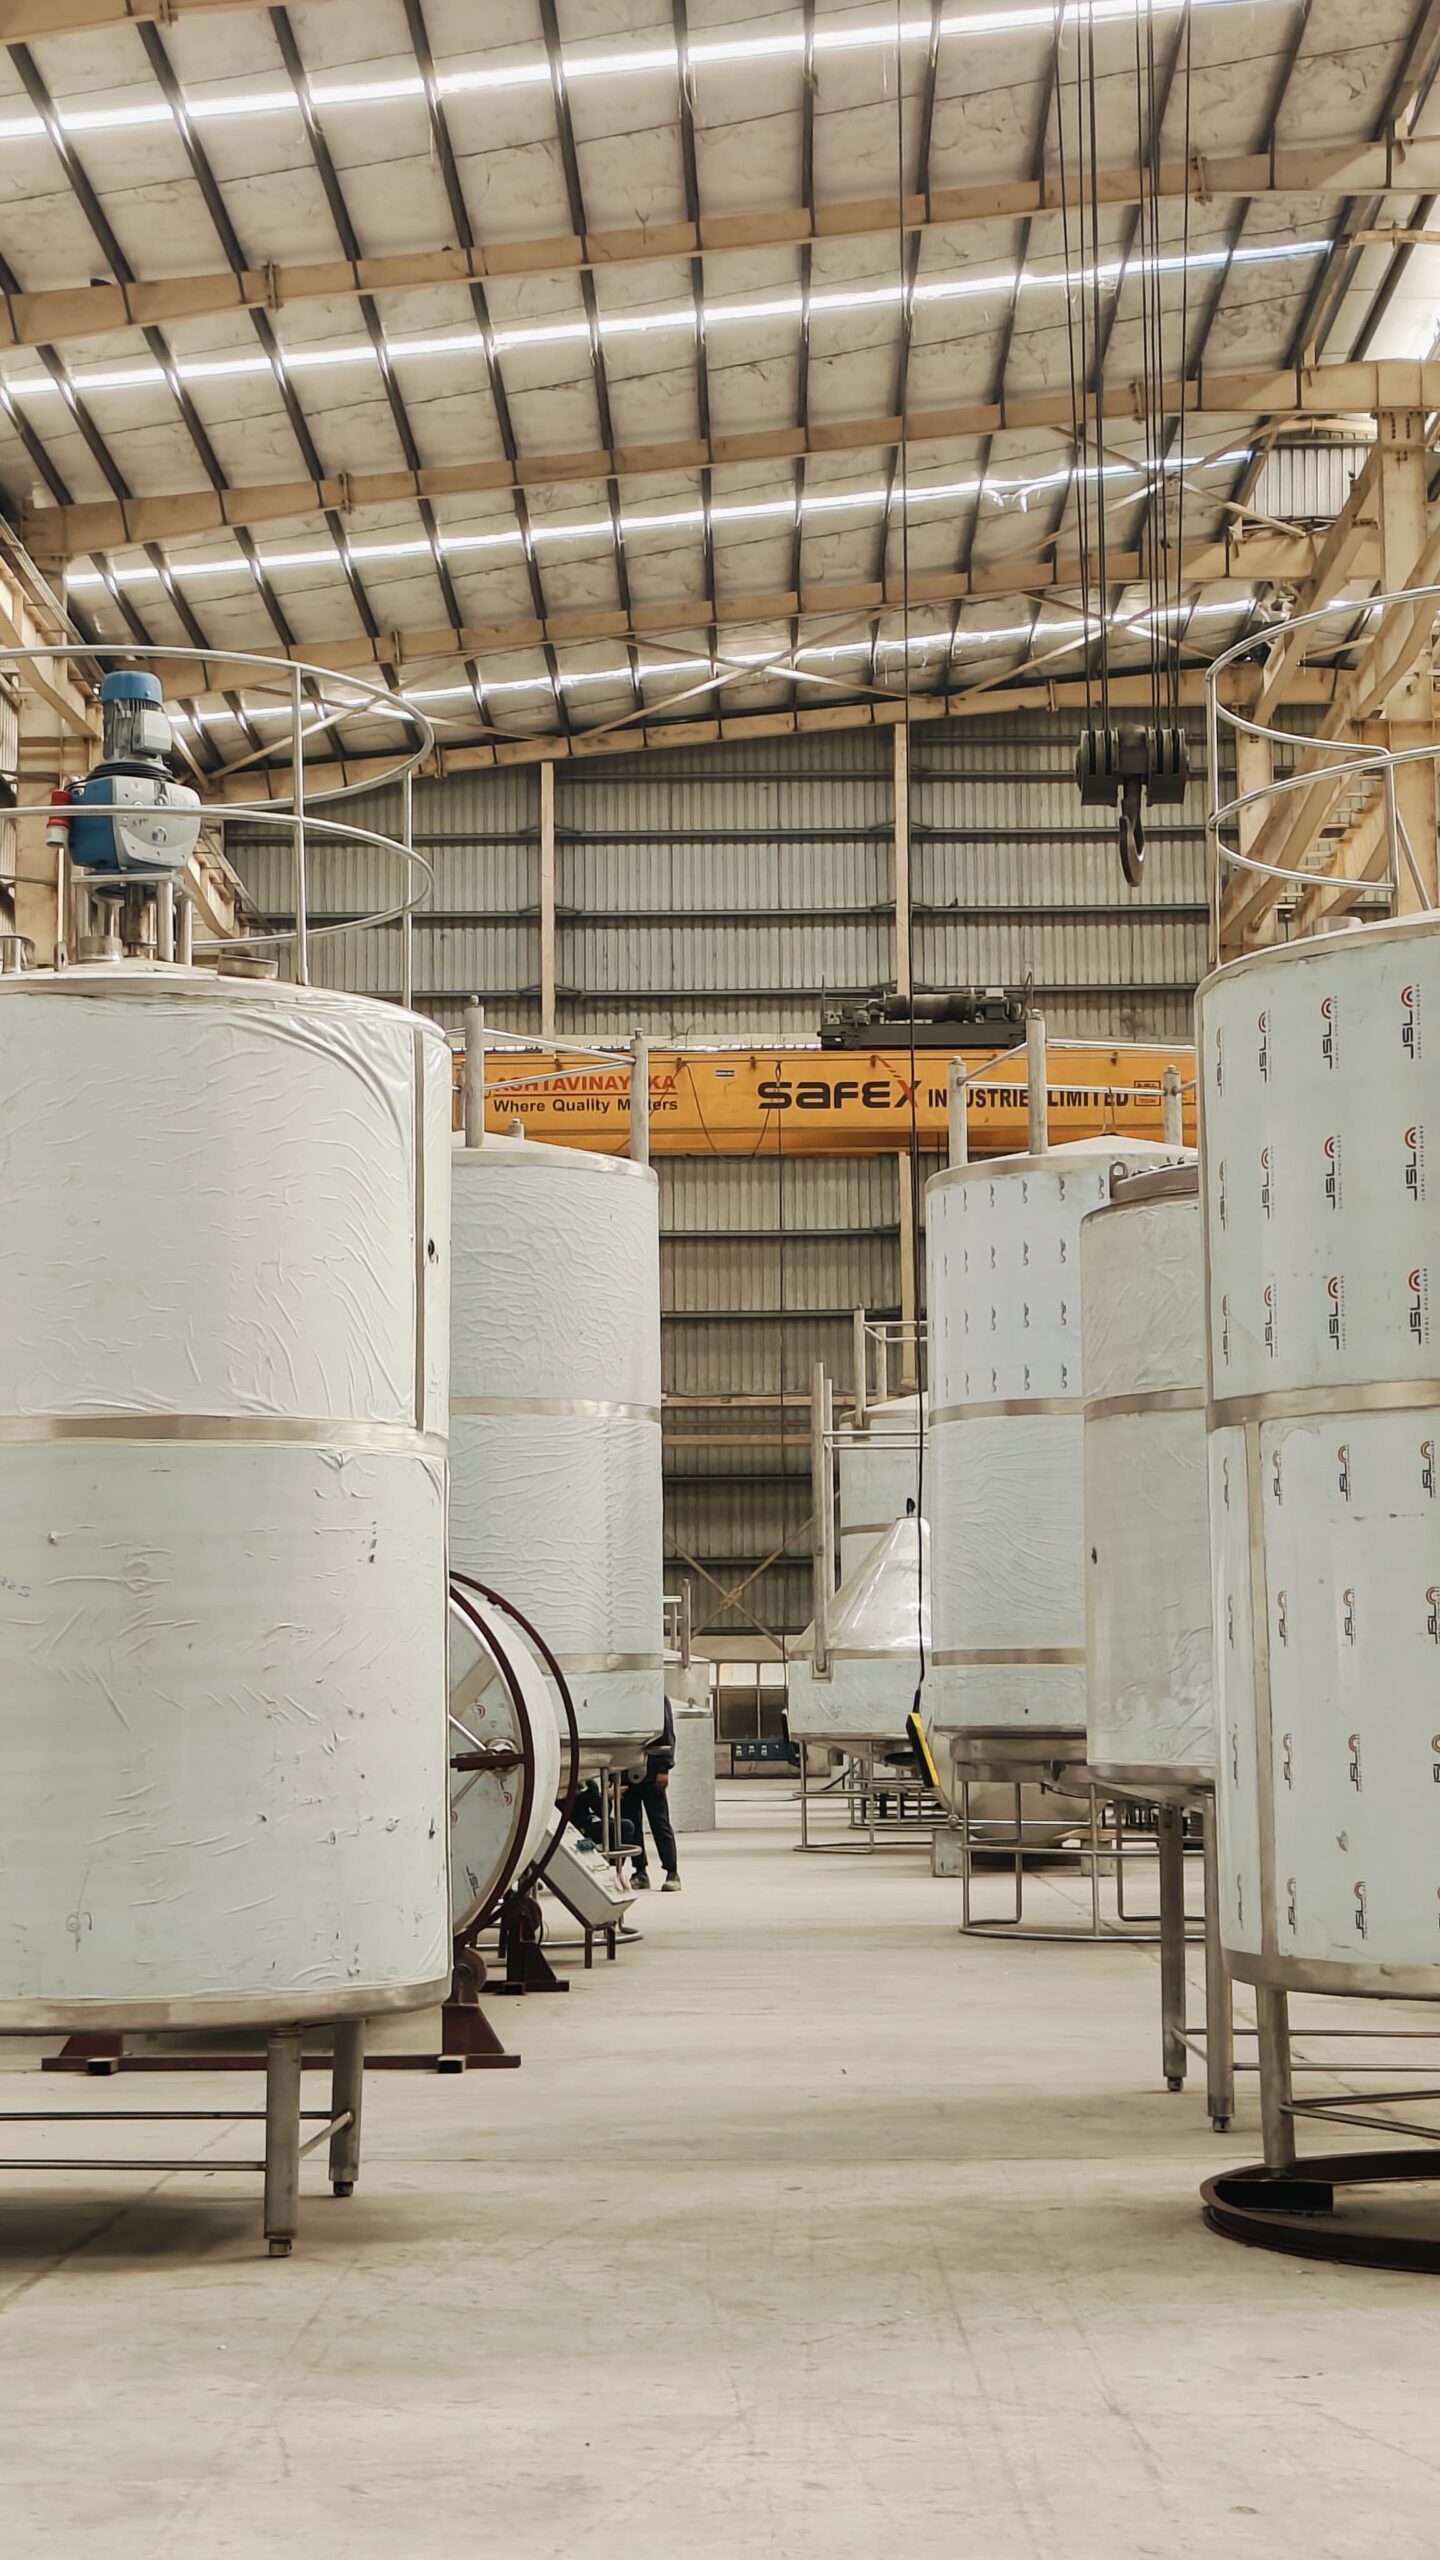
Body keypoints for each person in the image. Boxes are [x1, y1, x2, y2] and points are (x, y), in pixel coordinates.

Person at [622, 1696, 681, 1893]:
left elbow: (667, 1732)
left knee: (659, 1822)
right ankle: (640, 1871)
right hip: (625, 1770)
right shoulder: (619, 1695)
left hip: (652, 1770)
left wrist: (664, 1768)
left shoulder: (655, 1695)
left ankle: (672, 1872)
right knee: (632, 1823)